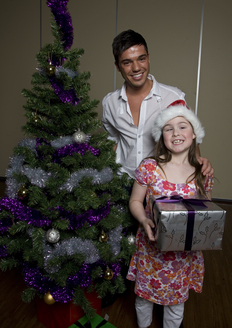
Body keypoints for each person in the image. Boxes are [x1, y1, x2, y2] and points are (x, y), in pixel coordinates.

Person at [126, 104, 214, 328]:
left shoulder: (201, 174)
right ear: (161, 136)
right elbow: (135, 200)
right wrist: (144, 220)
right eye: (168, 128)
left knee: (176, 304)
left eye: (182, 126)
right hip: (151, 251)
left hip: (183, 256)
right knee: (144, 298)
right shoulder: (149, 167)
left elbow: (205, 213)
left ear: (194, 134)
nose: (175, 132)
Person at [102, 29, 213, 180]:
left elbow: (190, 142)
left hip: (161, 182)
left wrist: (198, 164)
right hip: (122, 182)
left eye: (141, 59)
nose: (136, 68)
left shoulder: (173, 97)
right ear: (117, 66)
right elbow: (113, 139)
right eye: (127, 62)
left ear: (148, 58)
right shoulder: (110, 102)